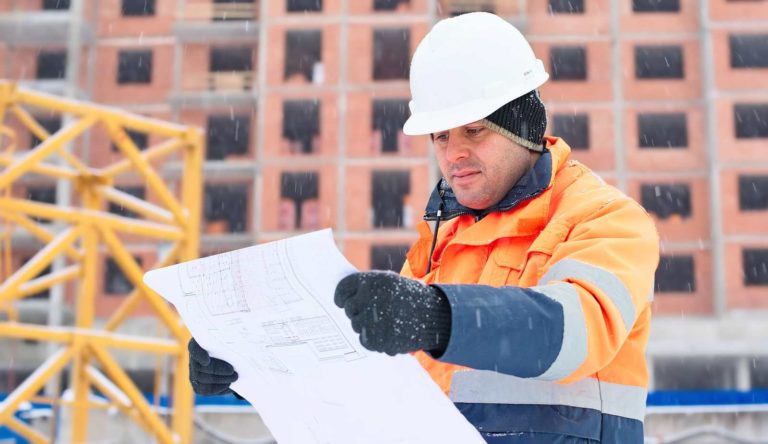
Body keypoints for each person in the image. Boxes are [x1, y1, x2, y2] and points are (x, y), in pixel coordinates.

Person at [188, 12, 659, 443]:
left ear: (523, 127)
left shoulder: (605, 219)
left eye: (473, 130)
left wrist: (437, 316)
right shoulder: (441, 244)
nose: (453, 154)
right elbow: (377, 386)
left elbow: (575, 332)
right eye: (441, 136)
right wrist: (254, 372)